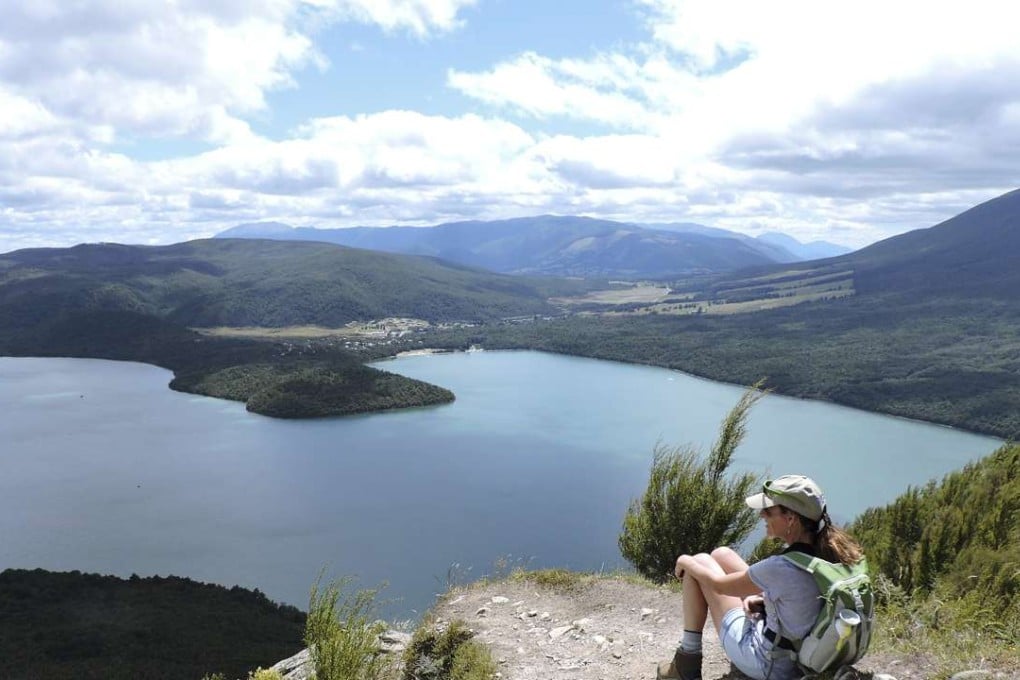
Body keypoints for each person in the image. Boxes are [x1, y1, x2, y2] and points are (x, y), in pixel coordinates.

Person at [656, 475, 865, 680]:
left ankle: (685, 666)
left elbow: (718, 586)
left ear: (791, 519)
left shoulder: (782, 567)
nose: (761, 515)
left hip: (768, 662)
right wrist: (766, 602)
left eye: (768, 511)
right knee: (721, 554)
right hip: (801, 654)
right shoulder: (831, 556)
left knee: (699, 562)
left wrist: (684, 560)